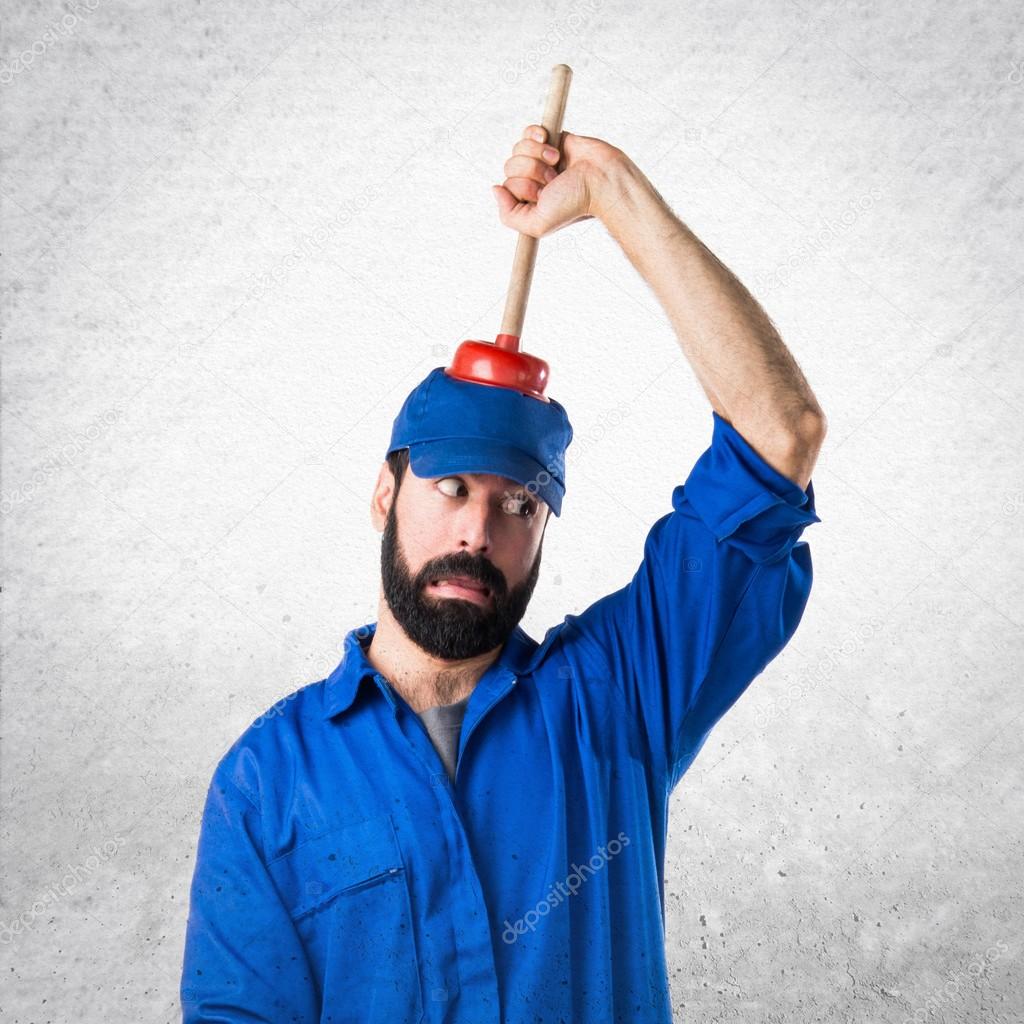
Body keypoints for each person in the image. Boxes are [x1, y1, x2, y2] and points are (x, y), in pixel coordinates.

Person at [180, 123, 826, 1024]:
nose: (478, 529)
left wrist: (612, 193)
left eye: (519, 504)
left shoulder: (618, 698)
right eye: (449, 486)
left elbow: (778, 434)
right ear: (384, 492)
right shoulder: (269, 784)